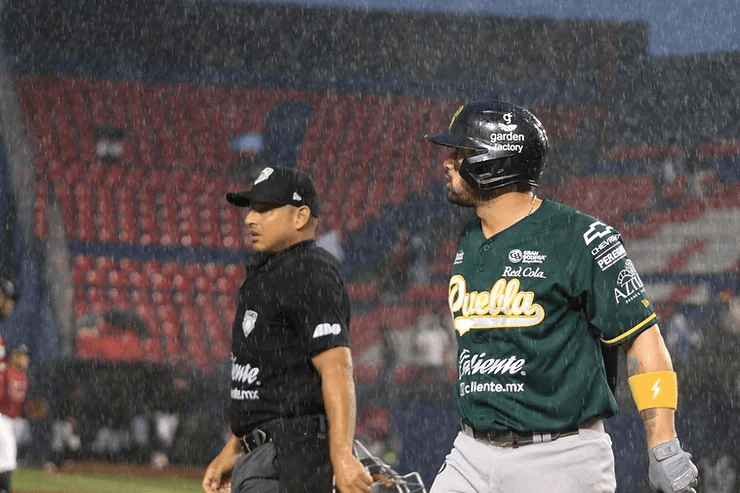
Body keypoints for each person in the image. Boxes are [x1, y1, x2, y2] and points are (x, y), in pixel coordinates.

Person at [424, 100, 698, 493]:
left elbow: (643, 338)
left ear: (492, 162)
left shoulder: (582, 238)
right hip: (471, 451)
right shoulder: (468, 238)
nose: (447, 162)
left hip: (561, 456)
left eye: (459, 153)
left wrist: (663, 445)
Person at [202, 166, 373, 493]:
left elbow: (337, 367)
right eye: (251, 208)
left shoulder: (311, 271)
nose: (250, 219)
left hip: (293, 456)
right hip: (264, 454)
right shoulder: (268, 273)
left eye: (263, 209)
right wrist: (234, 447)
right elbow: (268, 380)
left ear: (300, 216)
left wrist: (341, 454)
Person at [0, 345, 29, 493]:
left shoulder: (22, 375)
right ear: (13, 357)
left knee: (5, 459)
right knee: (7, 459)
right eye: (22, 355)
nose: (25, 358)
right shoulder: (5, 372)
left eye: (26, 355)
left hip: (11, 421)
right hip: (1, 419)